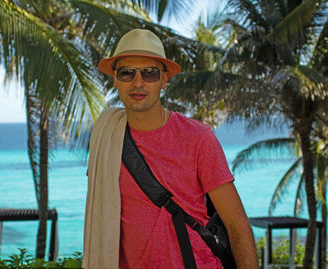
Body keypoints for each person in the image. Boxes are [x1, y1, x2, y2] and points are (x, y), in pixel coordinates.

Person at [82, 29, 258, 269]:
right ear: (115, 80)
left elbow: (236, 222)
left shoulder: (198, 138)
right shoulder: (106, 138)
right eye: (126, 72)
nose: (138, 82)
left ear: (164, 80)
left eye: (150, 73)